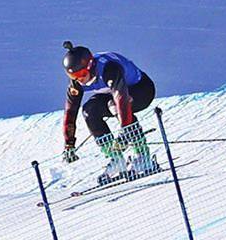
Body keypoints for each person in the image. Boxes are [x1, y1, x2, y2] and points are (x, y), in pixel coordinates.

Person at [62, 43, 160, 182]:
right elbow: (70, 113)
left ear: (90, 66)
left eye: (82, 74)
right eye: (74, 76)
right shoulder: (77, 82)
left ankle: (143, 157)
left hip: (141, 90)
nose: (80, 80)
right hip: (112, 94)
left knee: (114, 105)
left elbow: (122, 100)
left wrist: (125, 134)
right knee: (89, 111)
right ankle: (116, 160)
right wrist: (69, 144)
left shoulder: (109, 69)